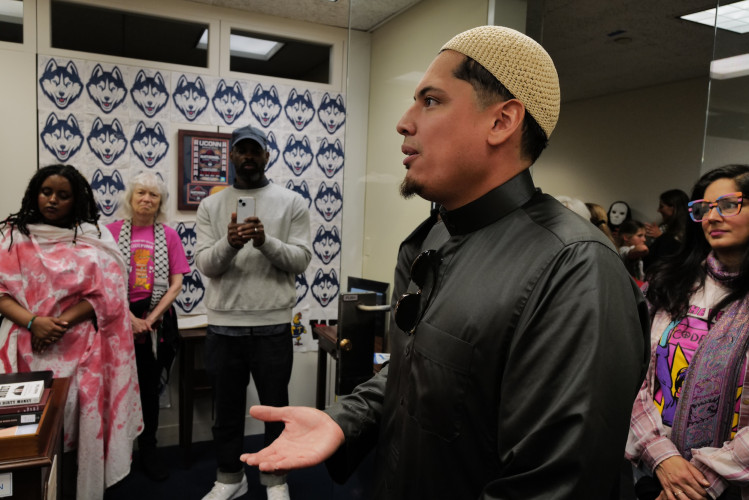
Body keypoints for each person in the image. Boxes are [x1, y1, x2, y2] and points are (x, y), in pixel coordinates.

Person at [240, 26, 650, 499]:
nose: (404, 122)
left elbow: (555, 485)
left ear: (502, 121)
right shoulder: (433, 237)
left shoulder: (576, 269)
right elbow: (417, 375)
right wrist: (345, 418)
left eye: (431, 101)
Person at [0, 164, 142, 499]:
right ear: (35, 193)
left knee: (73, 434)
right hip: (24, 350)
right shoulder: (12, 236)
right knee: (25, 436)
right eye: (46, 192)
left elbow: (108, 295)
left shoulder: (95, 238)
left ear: (76, 200)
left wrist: (56, 324)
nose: (52, 200)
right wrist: (34, 322)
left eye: (63, 195)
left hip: (78, 354)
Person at [195, 125, 312, 500]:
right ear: (231, 156)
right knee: (226, 413)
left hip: (272, 325)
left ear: (266, 155)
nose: (248, 156)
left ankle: (275, 480)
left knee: (276, 412)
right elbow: (206, 265)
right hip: (223, 326)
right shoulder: (211, 206)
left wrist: (264, 241)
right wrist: (229, 245)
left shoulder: (291, 202)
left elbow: (300, 261)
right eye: (241, 150)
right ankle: (230, 478)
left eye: (255, 150)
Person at [626, 164, 749, 500]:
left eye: (728, 205)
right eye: (704, 209)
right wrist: (661, 457)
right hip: (652, 470)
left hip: (728, 485)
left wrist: (698, 483)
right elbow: (631, 372)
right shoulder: (670, 283)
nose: (713, 217)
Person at [106, 171, 190, 481]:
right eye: (141, 192)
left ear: (160, 202)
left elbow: (176, 284)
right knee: (115, 390)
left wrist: (149, 320)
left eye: (153, 195)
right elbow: (103, 282)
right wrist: (128, 319)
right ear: (130, 198)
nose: (146, 199)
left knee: (149, 391)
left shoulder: (169, 236)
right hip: (118, 322)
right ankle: (115, 455)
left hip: (155, 325)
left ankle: (149, 450)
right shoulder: (110, 233)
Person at [644, 189, 690, 271]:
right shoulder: (664, 227)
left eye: (661, 206)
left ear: (673, 207)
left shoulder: (689, 229)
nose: (658, 210)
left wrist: (661, 237)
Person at [619, 219, 650, 284]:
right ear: (626, 237)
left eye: (645, 236)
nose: (644, 239)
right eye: (640, 235)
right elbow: (643, 248)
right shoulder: (623, 250)